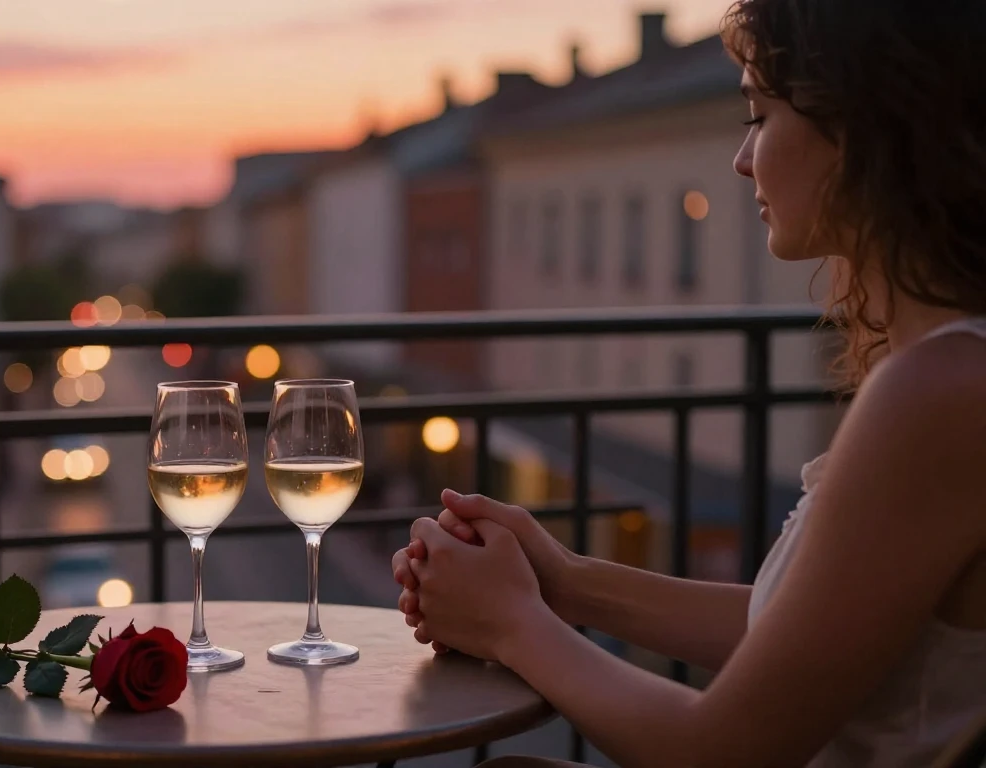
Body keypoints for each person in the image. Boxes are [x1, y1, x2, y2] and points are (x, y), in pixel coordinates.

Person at [391, 0, 986, 765]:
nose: (743, 159)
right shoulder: (943, 372)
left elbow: (723, 751)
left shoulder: (940, 391)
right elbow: (801, 640)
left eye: (760, 116)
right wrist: (566, 583)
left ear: (866, 132)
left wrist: (512, 624)